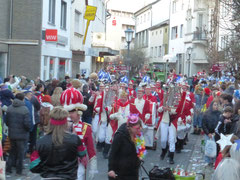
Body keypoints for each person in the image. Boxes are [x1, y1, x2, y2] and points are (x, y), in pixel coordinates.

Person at [30, 107, 87, 180]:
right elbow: (82, 153)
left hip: (48, 177)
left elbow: (33, 166)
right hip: (69, 176)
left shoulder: (41, 142)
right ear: (66, 123)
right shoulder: (74, 139)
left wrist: (46, 170)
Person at [108, 114, 144, 180]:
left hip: (133, 171)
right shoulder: (120, 136)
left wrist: (140, 156)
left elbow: (141, 148)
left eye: (140, 127)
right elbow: (112, 153)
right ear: (130, 127)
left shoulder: (138, 134)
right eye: (137, 128)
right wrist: (111, 169)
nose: (140, 129)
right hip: (120, 172)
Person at [6, 93, 31, 175]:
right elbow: (27, 124)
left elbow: (7, 121)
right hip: (22, 135)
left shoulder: (9, 108)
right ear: (23, 99)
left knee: (12, 152)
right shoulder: (25, 109)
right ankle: (19, 171)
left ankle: (8, 169)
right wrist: (28, 129)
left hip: (12, 134)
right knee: (20, 153)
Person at [202, 100, 221, 165]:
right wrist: (208, 133)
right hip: (208, 133)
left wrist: (216, 132)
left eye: (217, 105)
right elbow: (204, 124)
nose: (216, 106)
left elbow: (220, 124)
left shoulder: (219, 114)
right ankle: (207, 160)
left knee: (215, 147)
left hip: (215, 133)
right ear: (212, 105)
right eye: (215, 105)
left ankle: (214, 160)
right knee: (208, 147)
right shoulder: (206, 113)